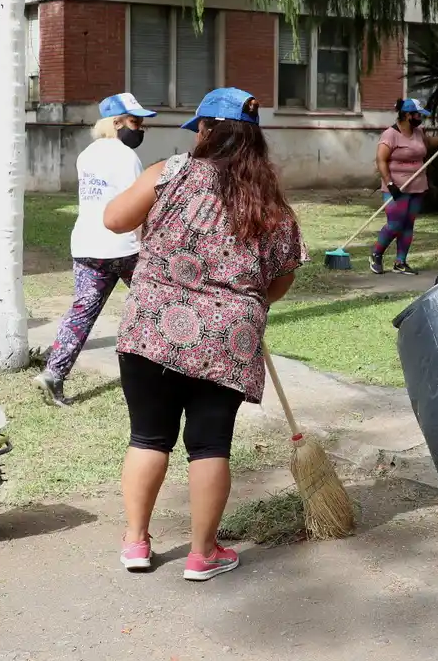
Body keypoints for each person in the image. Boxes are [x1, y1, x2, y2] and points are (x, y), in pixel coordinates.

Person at [102, 87, 304, 581]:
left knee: (148, 437)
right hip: (227, 340)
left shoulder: (168, 173)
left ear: (208, 131)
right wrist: (239, 306)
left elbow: (113, 220)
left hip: (153, 328)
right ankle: (202, 554)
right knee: (210, 445)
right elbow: (279, 280)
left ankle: (135, 543)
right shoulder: (271, 203)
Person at [35, 93, 156, 407]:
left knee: (81, 313)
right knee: (155, 306)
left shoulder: (86, 154)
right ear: (116, 123)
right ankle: (165, 372)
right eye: (134, 122)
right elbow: (135, 205)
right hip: (124, 246)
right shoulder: (126, 156)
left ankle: (54, 372)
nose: (140, 129)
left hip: (88, 245)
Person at [371, 97, 431, 275]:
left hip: (417, 186)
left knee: (408, 224)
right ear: (407, 115)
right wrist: (390, 184)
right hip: (396, 187)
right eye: (417, 115)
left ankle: (400, 262)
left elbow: (427, 146)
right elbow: (381, 160)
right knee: (395, 224)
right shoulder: (390, 134)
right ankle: (376, 254)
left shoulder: (418, 132)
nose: (420, 118)